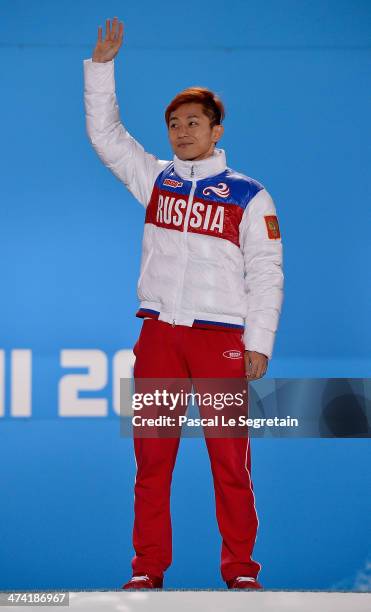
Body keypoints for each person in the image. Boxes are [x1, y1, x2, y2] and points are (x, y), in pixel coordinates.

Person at [83, 17, 284, 590]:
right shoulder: (156, 181)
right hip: (159, 336)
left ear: (217, 130)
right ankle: (147, 572)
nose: (180, 131)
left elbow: (267, 272)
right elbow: (107, 137)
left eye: (192, 122)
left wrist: (258, 343)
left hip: (220, 339)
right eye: (173, 124)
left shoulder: (249, 194)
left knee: (230, 465)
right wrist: (101, 70)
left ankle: (241, 574)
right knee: (151, 464)